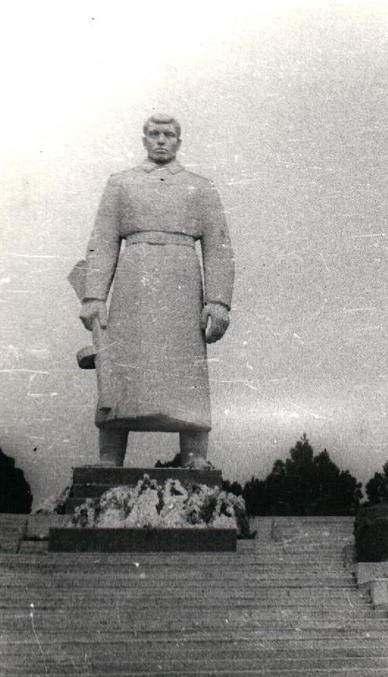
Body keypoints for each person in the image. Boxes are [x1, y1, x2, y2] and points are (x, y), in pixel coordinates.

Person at [78, 114, 234, 468]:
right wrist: (93, 296)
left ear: (179, 141)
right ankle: (110, 457)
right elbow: (102, 242)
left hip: (183, 285)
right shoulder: (121, 184)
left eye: (168, 134)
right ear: (144, 139)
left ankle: (194, 454)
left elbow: (218, 247)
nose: (161, 140)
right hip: (134, 282)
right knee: (119, 368)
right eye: (154, 134)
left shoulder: (201, 186)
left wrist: (218, 302)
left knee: (186, 372)